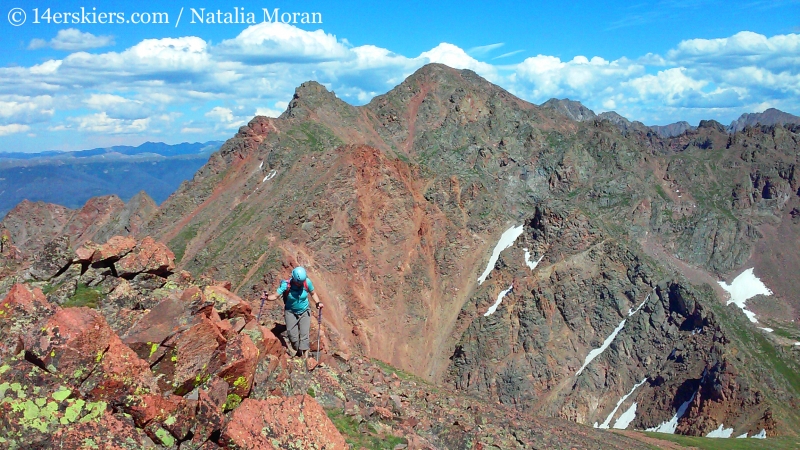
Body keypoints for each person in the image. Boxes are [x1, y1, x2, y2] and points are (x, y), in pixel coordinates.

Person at [264, 266, 323, 358]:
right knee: (292, 336)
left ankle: (305, 359)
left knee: (304, 335)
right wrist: (267, 298)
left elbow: (313, 293)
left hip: (304, 311)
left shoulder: (307, 282)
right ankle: (299, 351)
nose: (300, 284)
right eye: (299, 282)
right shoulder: (286, 285)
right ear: (294, 279)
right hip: (290, 312)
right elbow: (275, 296)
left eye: (301, 282)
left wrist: (318, 302)